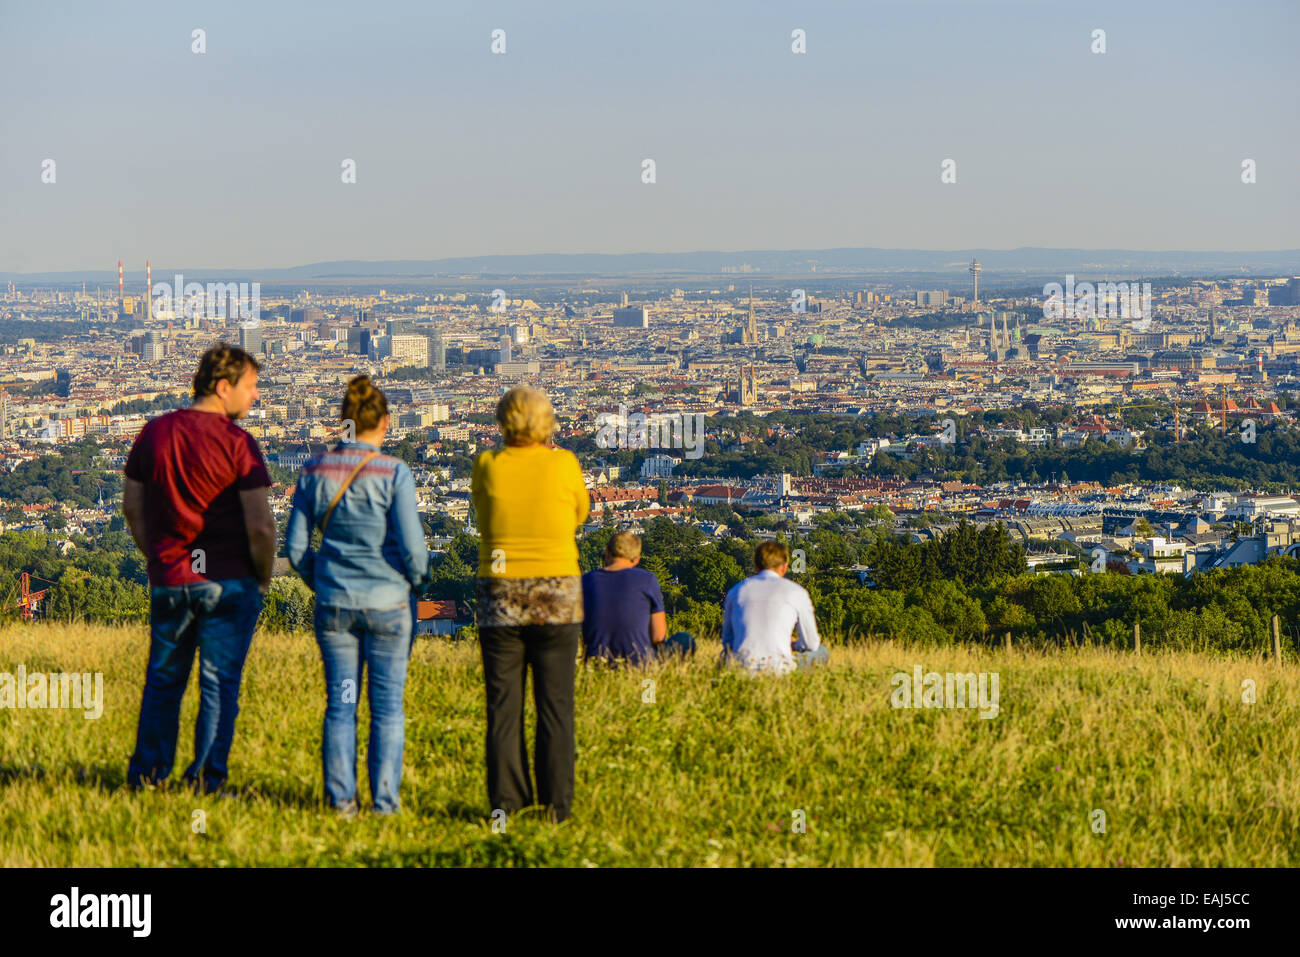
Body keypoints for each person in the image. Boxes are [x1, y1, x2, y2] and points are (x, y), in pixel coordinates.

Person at [124, 343, 276, 794]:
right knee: (218, 685)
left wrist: (157, 557)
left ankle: (148, 776)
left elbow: (133, 507)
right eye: (250, 388)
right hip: (228, 582)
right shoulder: (237, 444)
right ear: (223, 386)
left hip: (171, 578)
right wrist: (263, 575)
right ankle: (207, 780)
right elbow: (260, 525)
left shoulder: (156, 432)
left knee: (164, 680)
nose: (255, 398)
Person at [286, 375, 428, 816]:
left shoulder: (314, 472)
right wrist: (411, 582)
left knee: (342, 704)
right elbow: (414, 551)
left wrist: (322, 579)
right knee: (387, 709)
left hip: (335, 606)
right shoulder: (394, 473)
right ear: (385, 422)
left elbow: (293, 549)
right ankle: (384, 803)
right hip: (388, 604)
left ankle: (341, 802)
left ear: (342, 423)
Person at [471, 386, 589, 823]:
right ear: (547, 423)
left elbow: (483, 518)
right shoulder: (564, 464)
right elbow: (580, 513)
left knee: (504, 706)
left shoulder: (487, 464)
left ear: (502, 422)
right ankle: (556, 810)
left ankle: (506, 808)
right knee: (555, 705)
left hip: (500, 594)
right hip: (558, 594)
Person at [721, 541, 824, 675]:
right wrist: (792, 644)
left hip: (742, 668)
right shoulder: (796, 592)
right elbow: (811, 644)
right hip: (780, 669)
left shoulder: (736, 591)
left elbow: (727, 641)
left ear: (756, 566)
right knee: (822, 652)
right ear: (784, 566)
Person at [581, 531, 667, 666]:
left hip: (596, 663)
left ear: (607, 552)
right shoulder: (647, 580)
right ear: (637, 559)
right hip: (639, 663)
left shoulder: (586, 580)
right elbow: (658, 636)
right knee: (684, 640)